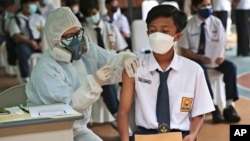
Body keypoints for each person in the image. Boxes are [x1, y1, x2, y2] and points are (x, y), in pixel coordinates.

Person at [26, 7, 138, 141]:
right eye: (69, 37)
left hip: (77, 130)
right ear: (54, 40)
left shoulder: (88, 53)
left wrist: (126, 59)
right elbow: (67, 109)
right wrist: (94, 84)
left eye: (78, 33)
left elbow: (112, 62)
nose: (76, 40)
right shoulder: (46, 68)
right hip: (48, 131)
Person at [117, 5, 215, 141]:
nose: (157, 36)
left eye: (165, 31)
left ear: (177, 36)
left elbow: (198, 113)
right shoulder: (135, 67)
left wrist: (192, 135)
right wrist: (124, 139)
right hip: (145, 136)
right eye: (152, 30)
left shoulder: (193, 71)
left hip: (181, 136)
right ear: (147, 33)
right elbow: (123, 112)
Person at [178, 0, 241, 124]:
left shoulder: (216, 22)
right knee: (201, 69)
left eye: (209, 5)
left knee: (231, 67)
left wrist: (221, 56)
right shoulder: (189, 25)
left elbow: (222, 43)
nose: (207, 8)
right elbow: (184, 51)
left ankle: (229, 106)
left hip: (215, 59)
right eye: (203, 6)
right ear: (196, 8)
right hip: (196, 59)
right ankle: (213, 107)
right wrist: (200, 58)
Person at [80, 0, 128, 126]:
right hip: (94, 69)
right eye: (88, 15)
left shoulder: (110, 27)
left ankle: (124, 116)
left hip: (114, 66)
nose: (92, 17)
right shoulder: (83, 33)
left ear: (99, 10)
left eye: (94, 13)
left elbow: (122, 49)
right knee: (104, 79)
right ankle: (118, 116)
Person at [9, 0, 45, 83]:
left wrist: (42, 42)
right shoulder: (16, 19)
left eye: (34, 3)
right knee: (21, 49)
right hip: (25, 43)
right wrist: (30, 42)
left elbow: (46, 31)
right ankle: (26, 78)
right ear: (24, 5)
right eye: (31, 3)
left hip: (40, 42)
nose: (34, 5)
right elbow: (16, 35)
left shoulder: (39, 17)